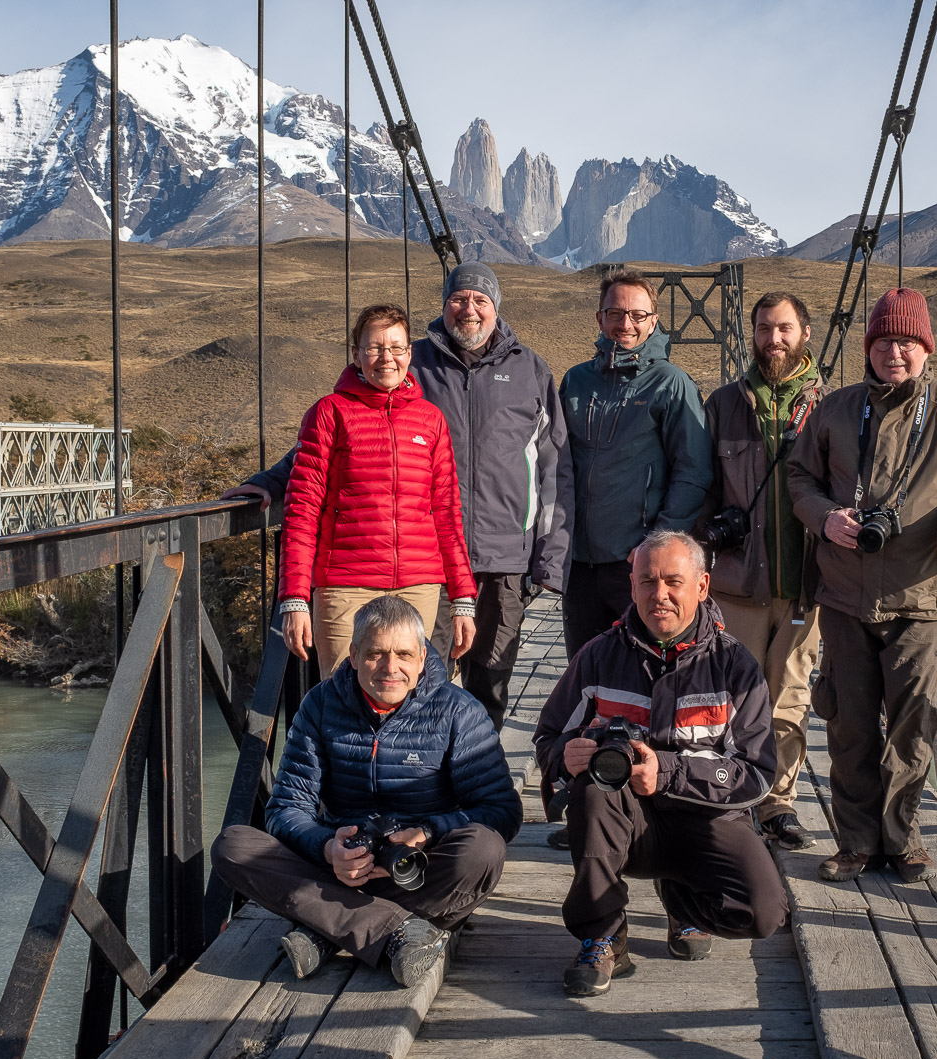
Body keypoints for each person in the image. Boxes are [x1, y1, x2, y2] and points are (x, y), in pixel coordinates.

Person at [223, 265, 572, 727]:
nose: (468, 309)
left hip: (504, 556)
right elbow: (339, 436)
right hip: (432, 567)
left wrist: (551, 560)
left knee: (492, 678)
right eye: (458, 298)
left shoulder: (531, 370)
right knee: (427, 683)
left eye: (480, 300)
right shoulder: (413, 364)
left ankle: (477, 779)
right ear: (444, 304)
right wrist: (271, 482)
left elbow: (555, 467)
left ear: (496, 307)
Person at [787, 287, 937, 884]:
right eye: (883, 341)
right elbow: (798, 475)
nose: (894, 352)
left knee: (911, 724)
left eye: (907, 342)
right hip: (844, 594)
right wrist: (825, 517)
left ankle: (902, 839)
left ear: (925, 349)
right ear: (868, 347)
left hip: (921, 597)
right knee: (847, 723)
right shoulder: (836, 408)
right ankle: (856, 843)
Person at [210, 595, 521, 987]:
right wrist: (326, 846)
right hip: (341, 865)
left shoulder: (459, 711)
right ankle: (397, 932)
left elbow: (502, 811)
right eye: (376, 654)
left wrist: (427, 831)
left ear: (423, 657)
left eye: (404, 655)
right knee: (232, 846)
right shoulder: (320, 705)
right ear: (354, 655)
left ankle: (326, 926)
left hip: (418, 868)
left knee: (483, 851)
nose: (391, 668)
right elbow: (286, 807)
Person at [533, 530, 788, 996]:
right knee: (593, 789)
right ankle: (602, 934)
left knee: (763, 911)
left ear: (703, 586)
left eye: (674, 581)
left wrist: (667, 771)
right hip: (623, 822)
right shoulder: (599, 655)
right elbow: (549, 735)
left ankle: (682, 901)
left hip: (705, 819)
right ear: (631, 587)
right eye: (647, 582)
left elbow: (757, 773)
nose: (660, 595)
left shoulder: (736, 666)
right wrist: (565, 756)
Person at [275, 304, 477, 677]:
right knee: (343, 701)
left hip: (420, 587)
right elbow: (302, 512)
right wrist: (295, 600)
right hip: (344, 587)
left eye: (397, 348)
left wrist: (463, 600)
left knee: (416, 704)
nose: (387, 358)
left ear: (409, 354)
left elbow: (447, 515)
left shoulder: (430, 419)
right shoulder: (329, 413)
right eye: (374, 348)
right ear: (356, 355)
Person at [700, 292, 824, 853]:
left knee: (788, 697)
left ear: (805, 333)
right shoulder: (723, 404)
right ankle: (729, 794)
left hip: (806, 585)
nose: (773, 340)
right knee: (730, 696)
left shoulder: (833, 406)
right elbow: (700, 487)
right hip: (738, 582)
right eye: (764, 329)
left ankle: (777, 805)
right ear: (750, 333)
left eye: (784, 329)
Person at [558, 268, 711, 659]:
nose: (625, 323)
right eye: (615, 313)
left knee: (644, 672)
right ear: (600, 318)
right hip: (579, 564)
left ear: (653, 321)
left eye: (637, 315)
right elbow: (555, 465)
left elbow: (693, 472)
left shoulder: (671, 384)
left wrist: (655, 542)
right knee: (584, 673)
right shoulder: (575, 381)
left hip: (638, 564)